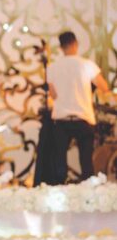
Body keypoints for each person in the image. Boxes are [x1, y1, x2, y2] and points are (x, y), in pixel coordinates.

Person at [48, 31, 109, 184]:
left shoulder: (53, 67)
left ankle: (59, 193)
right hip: (83, 117)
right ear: (75, 44)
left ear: (61, 47)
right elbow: (103, 86)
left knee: (59, 159)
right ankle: (87, 195)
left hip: (61, 119)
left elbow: (53, 95)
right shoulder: (86, 64)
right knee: (86, 160)